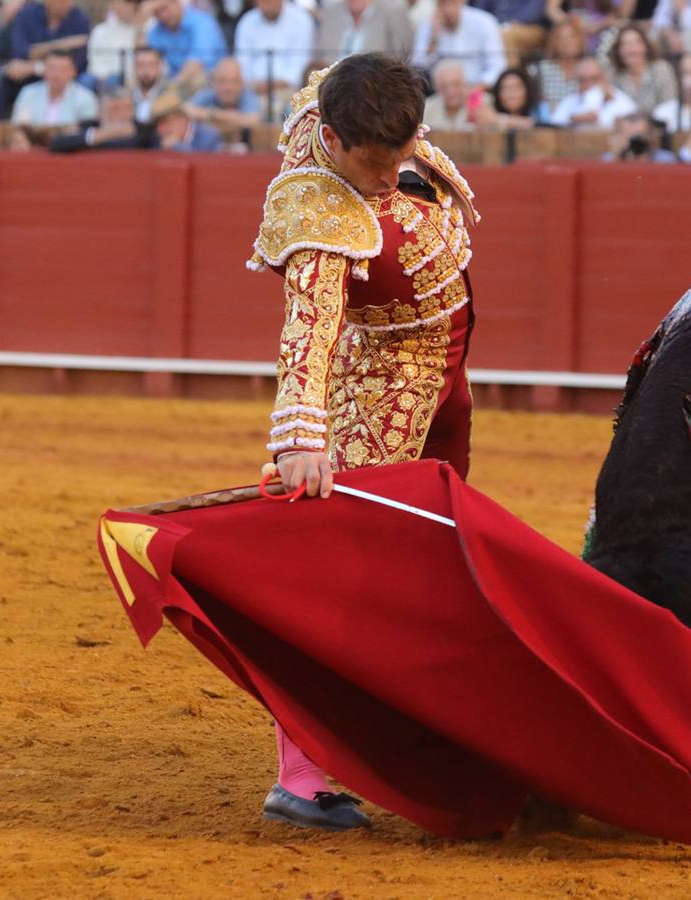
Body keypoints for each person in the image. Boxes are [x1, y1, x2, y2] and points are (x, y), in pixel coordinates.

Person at [246, 52, 482, 830]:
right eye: (375, 166)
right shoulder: (313, 212)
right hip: (381, 386)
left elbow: (347, 81)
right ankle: (301, 776)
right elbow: (307, 333)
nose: (389, 177)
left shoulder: (353, 97)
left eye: (403, 154)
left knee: (443, 550)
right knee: (340, 577)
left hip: (443, 372)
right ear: (337, 143)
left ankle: (429, 712)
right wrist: (301, 439)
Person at [0, 0, 90, 118]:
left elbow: (78, 61)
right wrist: (62, 45)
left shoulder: (80, 19)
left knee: (84, 79)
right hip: (23, 74)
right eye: (61, 1)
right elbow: (21, 52)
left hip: (61, 74)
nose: (67, 4)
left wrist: (36, 67)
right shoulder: (27, 14)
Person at [233, 0, 316, 112]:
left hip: (290, 89)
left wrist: (273, 85)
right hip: (252, 90)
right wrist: (254, 85)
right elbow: (241, 64)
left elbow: (300, 65)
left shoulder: (302, 19)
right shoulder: (247, 21)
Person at [411, 0, 506, 89]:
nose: (448, 9)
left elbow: (498, 66)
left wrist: (478, 88)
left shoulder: (485, 22)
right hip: (440, 92)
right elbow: (418, 67)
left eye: (453, 2)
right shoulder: (427, 26)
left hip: (477, 88)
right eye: (443, 3)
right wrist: (434, 40)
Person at [144, 0, 226, 87]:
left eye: (165, 8)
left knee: (197, 79)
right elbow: (145, 57)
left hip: (213, 83)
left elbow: (195, 65)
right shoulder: (157, 30)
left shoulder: (202, 22)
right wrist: (142, 18)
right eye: (157, 12)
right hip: (177, 82)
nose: (163, 15)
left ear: (177, 3)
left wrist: (170, 91)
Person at [10, 47, 95, 126]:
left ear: (73, 72)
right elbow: (20, 127)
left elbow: (83, 134)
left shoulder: (86, 98)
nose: (56, 75)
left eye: (62, 70)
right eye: (52, 68)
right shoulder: (28, 93)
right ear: (44, 70)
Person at [186, 56, 263, 144]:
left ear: (241, 83)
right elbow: (187, 110)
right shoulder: (207, 95)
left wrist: (212, 115)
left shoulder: (248, 97)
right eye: (222, 81)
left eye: (233, 81)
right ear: (213, 82)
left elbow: (253, 121)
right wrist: (234, 119)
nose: (227, 87)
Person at [548, 54, 637, 126]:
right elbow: (555, 125)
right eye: (582, 80)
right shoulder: (570, 101)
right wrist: (573, 118)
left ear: (604, 79)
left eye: (594, 79)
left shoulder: (620, 101)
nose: (588, 84)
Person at [317, 0, 414, 65]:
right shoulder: (331, 11)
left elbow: (402, 61)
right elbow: (319, 58)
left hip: (376, 89)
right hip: (332, 88)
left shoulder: (394, 11)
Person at [607, 24, 676, 114]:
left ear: (645, 46)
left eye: (635, 43)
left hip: (658, 125)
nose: (630, 48)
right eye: (624, 44)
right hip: (624, 126)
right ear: (618, 51)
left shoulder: (661, 69)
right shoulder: (614, 74)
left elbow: (669, 105)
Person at [473, 0, 562, 67]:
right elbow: (479, 10)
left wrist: (507, 24)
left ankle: (510, 78)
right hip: (496, 27)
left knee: (509, 35)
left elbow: (534, 10)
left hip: (531, 27)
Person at [86, 0, 151, 88]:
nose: (129, 7)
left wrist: (140, 29)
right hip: (104, 81)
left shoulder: (150, 28)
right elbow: (94, 64)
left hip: (138, 82)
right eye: (125, 3)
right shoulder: (100, 31)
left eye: (131, 3)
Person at [532, 17, 584, 110]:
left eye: (572, 37)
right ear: (554, 43)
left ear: (580, 41)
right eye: (561, 38)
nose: (567, 42)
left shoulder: (590, 71)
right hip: (547, 122)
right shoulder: (541, 70)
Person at [474, 65, 544, 128]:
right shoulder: (491, 118)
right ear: (498, 93)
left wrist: (498, 119)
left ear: (527, 91)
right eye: (506, 88)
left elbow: (542, 126)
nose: (511, 93)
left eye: (516, 87)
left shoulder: (539, 110)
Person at [603, 109, 678, 160]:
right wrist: (618, 157)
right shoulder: (611, 159)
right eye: (629, 138)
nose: (635, 143)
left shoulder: (666, 160)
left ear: (650, 136)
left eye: (639, 137)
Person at [422, 58, 472, 128]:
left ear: (465, 84)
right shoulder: (426, 109)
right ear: (436, 88)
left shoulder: (482, 103)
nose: (451, 91)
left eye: (456, 84)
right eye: (444, 86)